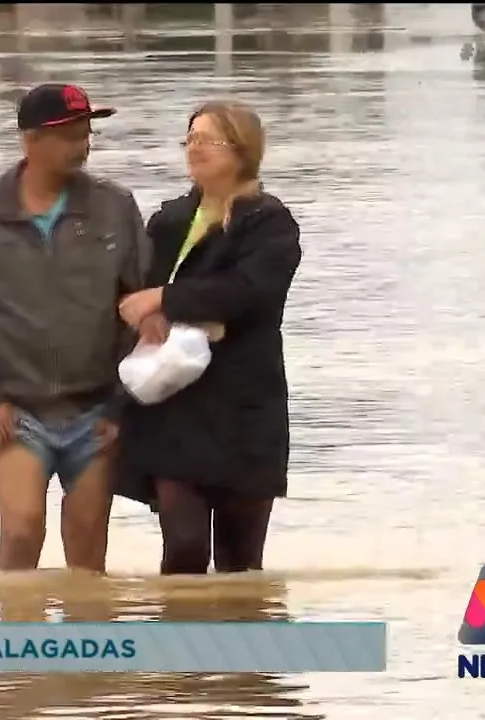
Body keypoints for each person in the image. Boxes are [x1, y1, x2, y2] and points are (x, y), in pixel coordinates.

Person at [0, 84, 151, 574]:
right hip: (15, 410)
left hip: (95, 409)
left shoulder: (115, 207)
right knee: (23, 528)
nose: (83, 144)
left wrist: (120, 402)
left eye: (86, 132)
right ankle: (14, 647)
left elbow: (140, 310)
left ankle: (83, 646)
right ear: (31, 141)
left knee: (89, 550)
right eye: (69, 134)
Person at [114, 101, 302, 575]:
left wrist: (166, 299)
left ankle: (240, 646)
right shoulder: (169, 221)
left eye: (208, 140)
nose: (194, 149)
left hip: (245, 407)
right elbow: (130, 290)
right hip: (176, 403)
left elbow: (247, 292)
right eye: (190, 139)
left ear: (242, 150)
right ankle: (178, 646)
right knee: (185, 546)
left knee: (241, 562)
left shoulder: (270, 223)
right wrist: (144, 313)